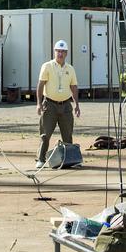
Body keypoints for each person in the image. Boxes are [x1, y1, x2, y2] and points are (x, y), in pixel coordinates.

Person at [35, 39, 80, 168]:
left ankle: (69, 159)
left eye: (62, 52)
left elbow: (74, 87)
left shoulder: (70, 69)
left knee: (67, 133)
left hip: (66, 105)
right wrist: (38, 103)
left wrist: (76, 104)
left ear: (66, 53)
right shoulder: (47, 66)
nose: (60, 54)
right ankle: (41, 158)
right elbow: (40, 85)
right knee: (45, 133)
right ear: (54, 52)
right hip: (49, 104)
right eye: (58, 51)